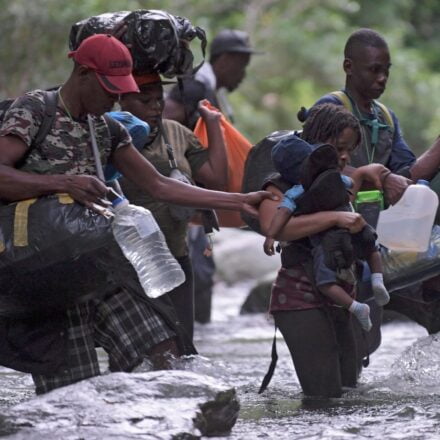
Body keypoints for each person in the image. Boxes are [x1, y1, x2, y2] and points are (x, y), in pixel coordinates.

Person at [0, 34, 272, 394]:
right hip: (43, 279)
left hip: (98, 270)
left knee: (165, 352)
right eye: (108, 87)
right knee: (71, 393)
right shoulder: (35, 111)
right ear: (83, 73)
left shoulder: (108, 129)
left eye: (119, 89)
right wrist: (62, 182)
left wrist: (238, 201)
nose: (114, 97)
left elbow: (160, 185)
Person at [310, 27, 440, 328]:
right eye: (374, 70)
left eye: (386, 71)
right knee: (354, 338)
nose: (382, 78)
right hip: (336, 233)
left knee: (370, 336)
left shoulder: (385, 116)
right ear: (348, 67)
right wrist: (380, 177)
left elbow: (408, 174)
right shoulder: (329, 108)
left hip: (379, 235)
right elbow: (313, 168)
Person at [259, 103, 389, 398]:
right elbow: (275, 226)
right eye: (338, 148)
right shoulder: (280, 181)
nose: (344, 157)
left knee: (348, 390)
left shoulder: (337, 181)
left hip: (342, 296)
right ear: (314, 140)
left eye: (349, 150)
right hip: (300, 299)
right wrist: (334, 218)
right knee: (323, 396)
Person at [117, 72, 228, 342]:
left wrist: (213, 124)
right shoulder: (110, 134)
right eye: (145, 101)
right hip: (129, 261)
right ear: (122, 101)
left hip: (176, 255)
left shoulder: (177, 132)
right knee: (137, 349)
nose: (155, 107)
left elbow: (216, 179)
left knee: (183, 346)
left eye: (159, 99)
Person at [163, 29, 262, 324]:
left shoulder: (206, 90)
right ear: (226, 59)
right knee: (196, 271)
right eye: (241, 65)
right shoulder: (194, 89)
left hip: (197, 198)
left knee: (200, 270)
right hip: (183, 196)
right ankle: (192, 337)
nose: (242, 75)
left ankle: (195, 337)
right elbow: (166, 128)